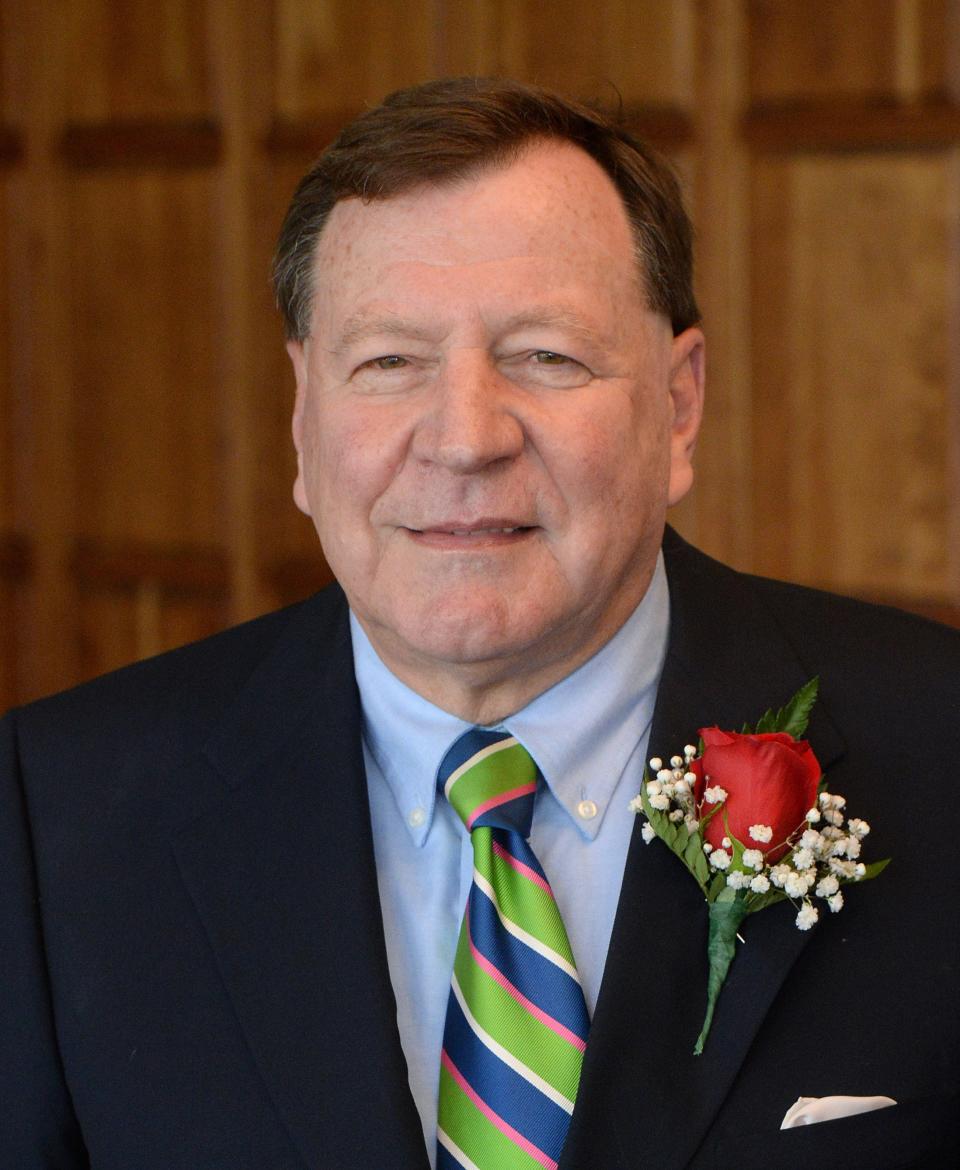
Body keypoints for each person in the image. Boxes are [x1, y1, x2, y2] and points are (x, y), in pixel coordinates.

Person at [1, 78, 957, 1170]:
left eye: (545, 356)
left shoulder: (940, 749)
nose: (463, 439)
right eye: (388, 363)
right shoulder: (55, 815)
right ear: (303, 418)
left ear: (680, 406)